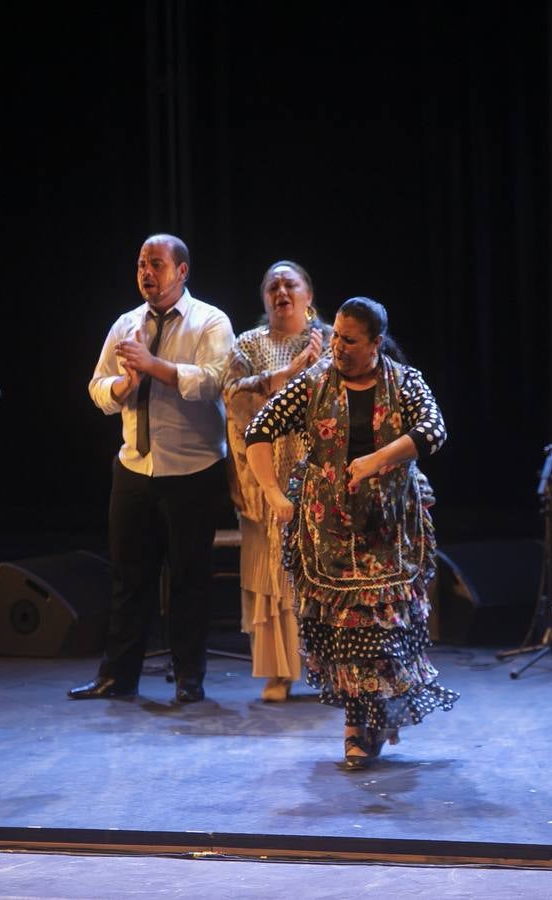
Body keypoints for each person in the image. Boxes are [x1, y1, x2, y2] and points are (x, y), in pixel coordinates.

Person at [245, 296, 457, 769]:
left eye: (349, 340)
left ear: (376, 343)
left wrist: (378, 460)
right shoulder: (315, 382)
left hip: (388, 530)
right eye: (336, 336)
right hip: (329, 532)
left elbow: (434, 430)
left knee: (382, 634)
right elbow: (259, 430)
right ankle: (354, 726)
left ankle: (375, 716)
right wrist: (276, 496)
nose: (337, 347)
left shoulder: (404, 382)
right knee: (343, 633)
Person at [70, 234, 234, 704]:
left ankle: (188, 677)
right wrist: (124, 385)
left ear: (182, 272)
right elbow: (97, 387)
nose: (146, 272)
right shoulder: (126, 323)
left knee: (188, 577)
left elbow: (213, 383)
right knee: (128, 576)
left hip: (193, 469)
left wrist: (154, 365)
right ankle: (117, 677)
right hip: (135, 467)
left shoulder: (210, 321)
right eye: (141, 263)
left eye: (156, 264)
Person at [223, 260, 330, 701]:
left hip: (317, 470)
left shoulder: (329, 340)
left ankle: (334, 669)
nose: (281, 290)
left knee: (324, 569)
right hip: (264, 474)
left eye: (291, 283)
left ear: (309, 295)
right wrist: (288, 374)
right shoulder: (249, 344)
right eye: (273, 285)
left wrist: (314, 364)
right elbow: (232, 394)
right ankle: (278, 671)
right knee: (273, 573)